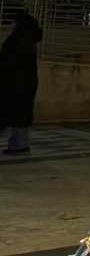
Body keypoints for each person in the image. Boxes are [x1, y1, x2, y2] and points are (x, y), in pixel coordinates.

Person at [0, 11, 43, 154]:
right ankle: (20, 145)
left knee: (10, 115)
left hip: (14, 85)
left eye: (15, 22)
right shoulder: (28, 41)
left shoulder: (18, 41)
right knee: (20, 117)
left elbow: (8, 62)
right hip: (25, 85)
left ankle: (19, 145)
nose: (12, 25)